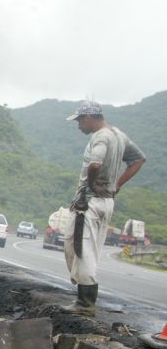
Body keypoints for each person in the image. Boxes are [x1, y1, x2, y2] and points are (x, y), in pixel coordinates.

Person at [62, 100, 146, 315]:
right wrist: (116, 185)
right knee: (89, 248)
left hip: (89, 202)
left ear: (90, 117)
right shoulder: (118, 135)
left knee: (81, 249)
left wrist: (91, 184)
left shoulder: (101, 137)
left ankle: (85, 304)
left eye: (80, 120)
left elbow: (95, 164)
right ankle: (84, 295)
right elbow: (138, 159)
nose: (79, 125)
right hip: (107, 201)